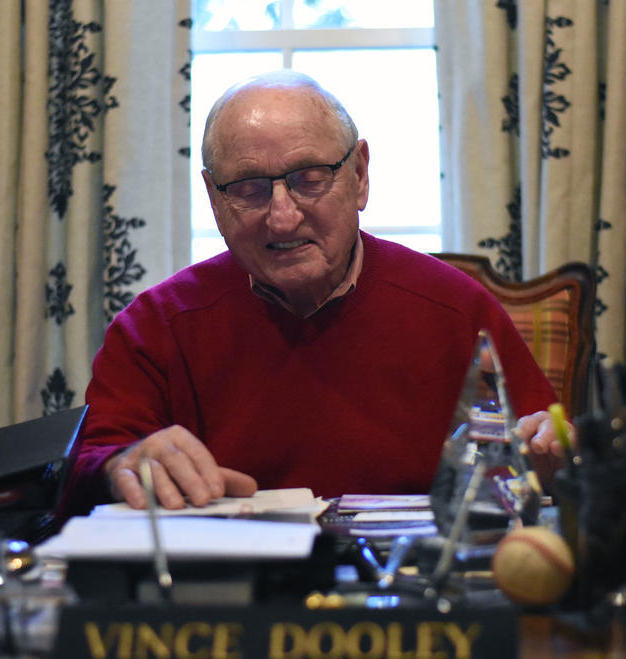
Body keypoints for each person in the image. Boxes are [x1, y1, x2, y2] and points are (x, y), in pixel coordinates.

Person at [60, 71, 566, 517]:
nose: (283, 217)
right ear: (215, 199)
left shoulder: (457, 310)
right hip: (228, 602)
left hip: (409, 593)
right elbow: (83, 470)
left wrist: (550, 453)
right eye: (250, 189)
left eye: (309, 179)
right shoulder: (155, 327)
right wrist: (120, 466)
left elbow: (546, 451)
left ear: (360, 175)